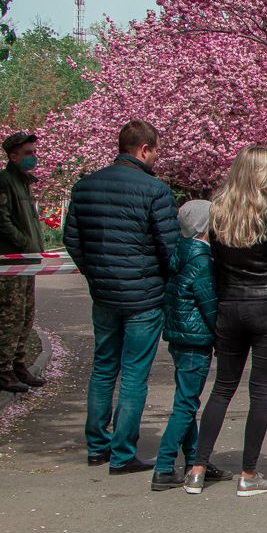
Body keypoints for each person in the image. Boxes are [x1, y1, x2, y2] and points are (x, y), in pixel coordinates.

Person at [185, 146, 267, 497]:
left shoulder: (217, 214)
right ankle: (249, 473)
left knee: (222, 388)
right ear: (264, 176)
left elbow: (215, 263)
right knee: (260, 391)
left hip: (230, 305)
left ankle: (197, 468)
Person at [65, 120, 178, 474]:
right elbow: (169, 247)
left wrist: (95, 272)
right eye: (156, 149)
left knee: (103, 368)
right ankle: (123, 452)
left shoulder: (85, 186)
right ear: (144, 149)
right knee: (133, 374)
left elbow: (72, 239)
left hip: (104, 294)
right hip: (143, 295)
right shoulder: (155, 190)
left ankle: (96, 445)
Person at [150, 200, 233, 492]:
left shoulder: (182, 252)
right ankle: (163, 466)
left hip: (180, 337)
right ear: (206, 226)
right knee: (185, 405)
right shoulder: (201, 260)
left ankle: (196, 460)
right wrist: (223, 337)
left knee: (187, 400)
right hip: (195, 340)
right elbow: (209, 305)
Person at [0, 132, 47, 393]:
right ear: (13, 156)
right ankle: (3, 370)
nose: (33, 157)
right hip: (12, 261)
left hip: (26, 261)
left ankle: (19, 364)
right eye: (28, 153)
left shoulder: (22, 183)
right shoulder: (3, 182)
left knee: (25, 314)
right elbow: (2, 221)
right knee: (10, 315)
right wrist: (24, 244)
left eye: (33, 152)